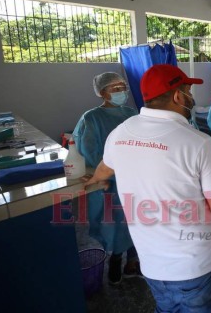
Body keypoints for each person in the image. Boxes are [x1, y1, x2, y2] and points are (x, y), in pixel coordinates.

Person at [83, 64, 211, 313]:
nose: (191, 97)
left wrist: (97, 180)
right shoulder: (199, 143)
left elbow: (104, 169)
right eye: (189, 91)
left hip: (152, 264)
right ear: (178, 96)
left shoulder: (119, 134)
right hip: (197, 265)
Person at [73, 72, 141, 285]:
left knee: (137, 220)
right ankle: (116, 258)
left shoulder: (132, 113)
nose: (122, 91)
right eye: (115, 88)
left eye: (123, 87)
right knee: (117, 223)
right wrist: (112, 168)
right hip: (110, 180)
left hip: (136, 177)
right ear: (102, 92)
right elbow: (88, 149)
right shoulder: (91, 117)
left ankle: (133, 262)